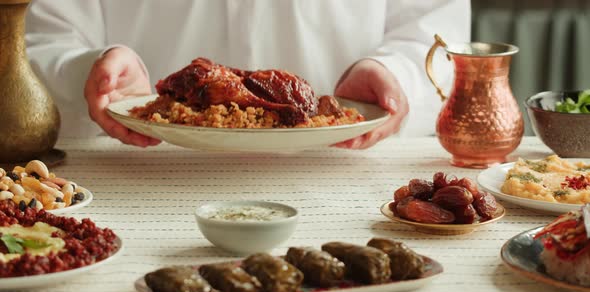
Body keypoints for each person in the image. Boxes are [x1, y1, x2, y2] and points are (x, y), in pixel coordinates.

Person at [25, 0, 470, 149]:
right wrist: (90, 70)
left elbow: (431, 30)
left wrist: (392, 72)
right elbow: (37, 37)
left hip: (343, 172)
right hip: (139, 169)